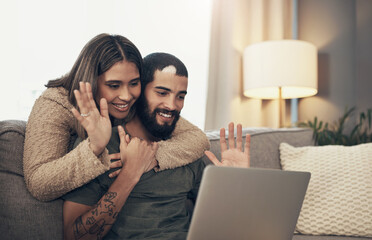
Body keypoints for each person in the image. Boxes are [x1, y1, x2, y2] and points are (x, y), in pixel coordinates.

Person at [62, 52, 250, 240]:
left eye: (180, 96)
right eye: (162, 93)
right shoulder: (100, 146)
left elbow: (220, 226)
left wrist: (234, 185)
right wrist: (130, 173)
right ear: (139, 91)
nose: (172, 105)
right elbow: (75, 236)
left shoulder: (184, 151)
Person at [23, 34, 210, 202]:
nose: (126, 96)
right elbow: (39, 185)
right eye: (114, 85)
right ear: (91, 80)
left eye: (134, 83)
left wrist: (147, 156)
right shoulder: (56, 103)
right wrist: (94, 147)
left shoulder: (135, 100)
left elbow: (197, 138)